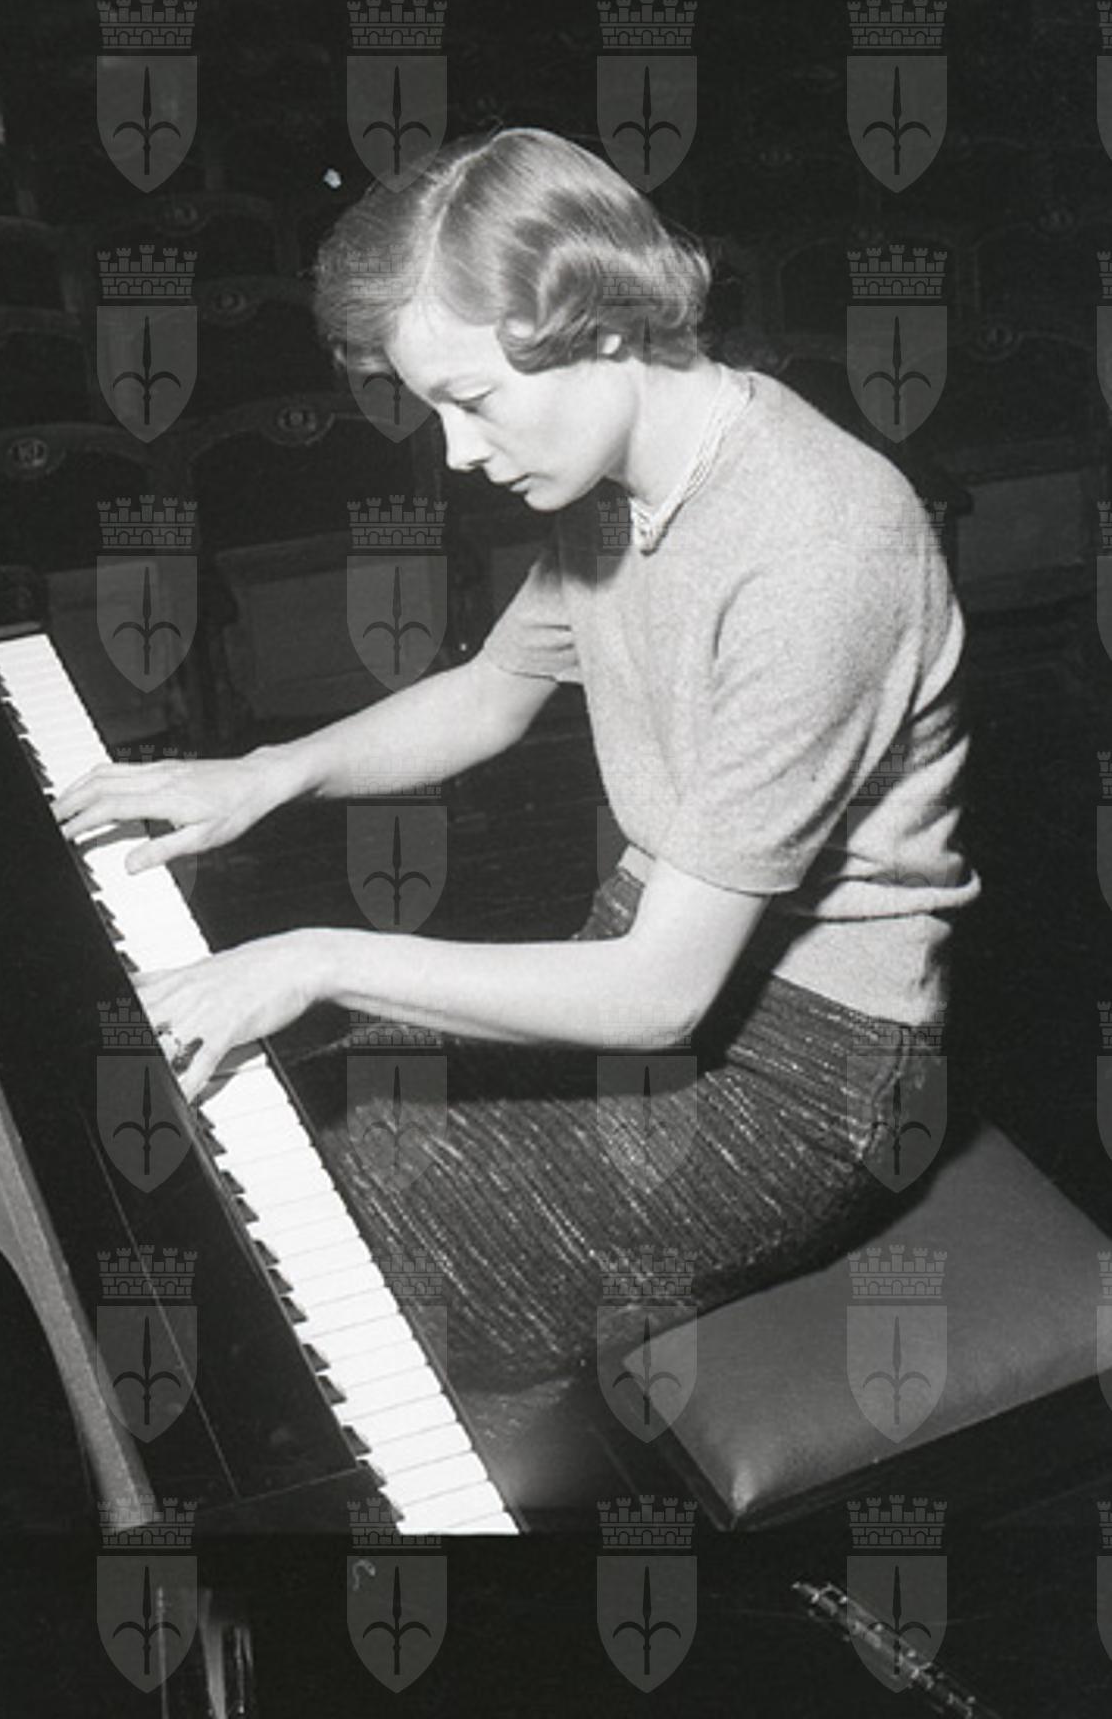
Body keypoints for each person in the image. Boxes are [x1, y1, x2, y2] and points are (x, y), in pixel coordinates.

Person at [53, 128, 980, 1445]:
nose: (453, 452)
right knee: (287, 1107)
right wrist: (264, 773)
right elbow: (492, 693)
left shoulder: (818, 548)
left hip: (807, 1074)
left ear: (601, 330)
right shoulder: (621, 478)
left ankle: (463, 1495)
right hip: (652, 947)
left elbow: (658, 1000)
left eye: (472, 399)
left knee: (353, 1239)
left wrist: (315, 956)